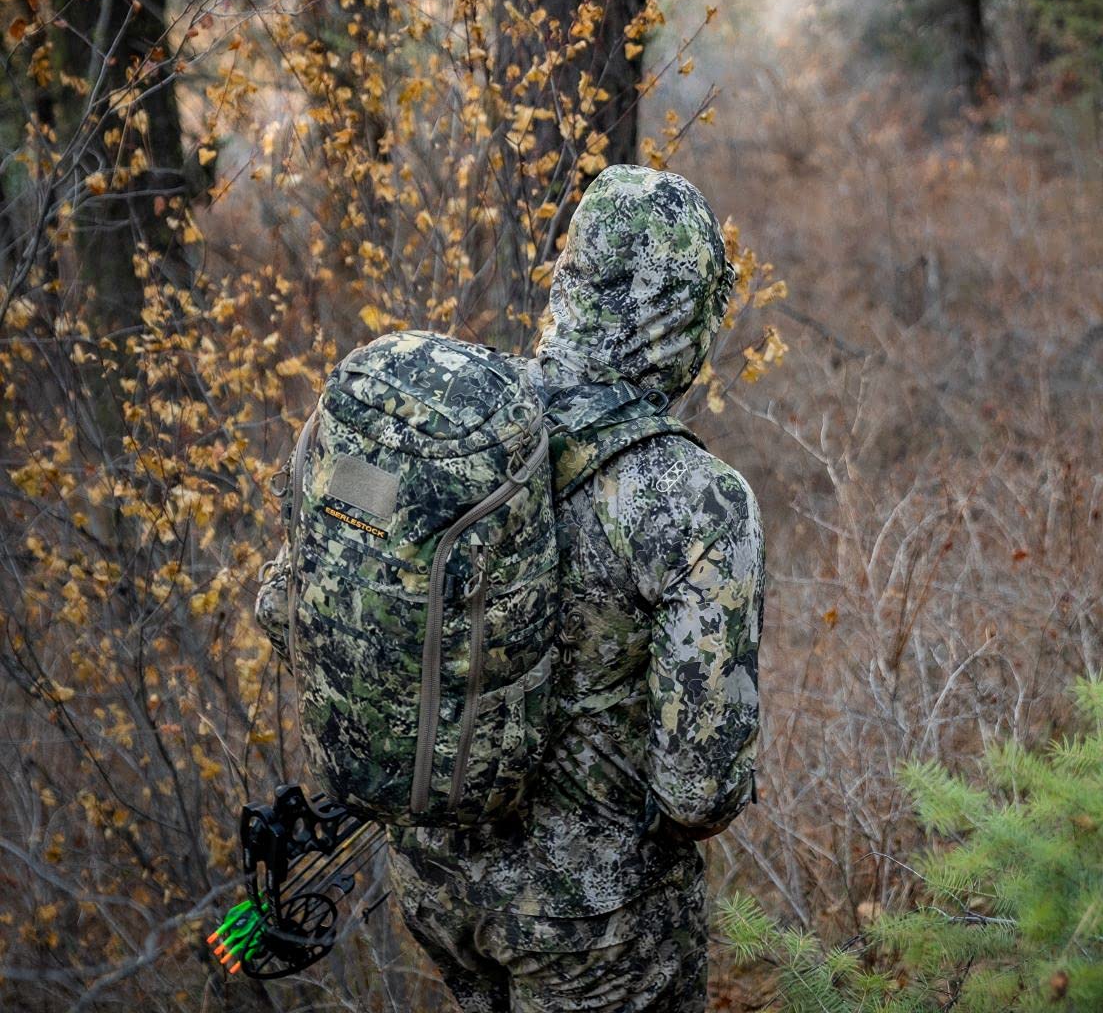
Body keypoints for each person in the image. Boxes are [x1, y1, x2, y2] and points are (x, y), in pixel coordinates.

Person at [263, 165, 765, 1011]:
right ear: (688, 311)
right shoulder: (693, 500)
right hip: (595, 927)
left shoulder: (454, 425)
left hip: (433, 879)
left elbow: (284, 609)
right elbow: (699, 788)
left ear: (570, 278)